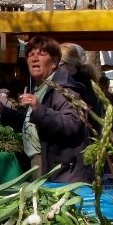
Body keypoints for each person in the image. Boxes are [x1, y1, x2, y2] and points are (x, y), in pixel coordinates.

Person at [18, 36, 92, 183]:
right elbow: (35, 120)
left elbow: (72, 122)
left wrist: (38, 108)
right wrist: (4, 111)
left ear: (55, 61)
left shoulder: (63, 87)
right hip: (44, 163)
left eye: (41, 54)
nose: (34, 58)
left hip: (59, 171)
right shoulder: (43, 86)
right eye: (31, 55)